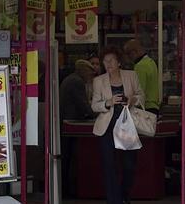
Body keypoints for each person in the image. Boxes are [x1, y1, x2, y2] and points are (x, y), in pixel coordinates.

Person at [91, 45, 145, 204]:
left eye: (111, 60)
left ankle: (124, 195)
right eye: (105, 61)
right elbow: (94, 105)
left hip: (127, 125)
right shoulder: (98, 81)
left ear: (119, 62)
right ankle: (114, 201)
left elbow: (142, 95)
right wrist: (107, 103)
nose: (108, 64)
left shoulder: (131, 76)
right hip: (107, 127)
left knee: (129, 165)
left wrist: (132, 99)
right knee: (109, 166)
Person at [59, 59, 96, 198]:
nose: (91, 76)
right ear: (84, 71)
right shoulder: (77, 82)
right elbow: (83, 104)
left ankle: (66, 188)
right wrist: (95, 114)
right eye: (90, 72)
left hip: (66, 122)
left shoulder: (71, 79)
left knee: (67, 158)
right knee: (69, 158)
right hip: (70, 124)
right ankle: (68, 190)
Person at [124, 39, 160, 115]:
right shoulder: (151, 62)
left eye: (128, 54)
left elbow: (139, 91)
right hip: (154, 106)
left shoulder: (140, 66)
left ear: (134, 52)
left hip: (145, 108)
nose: (128, 58)